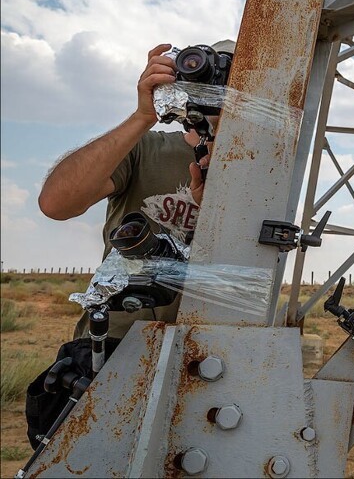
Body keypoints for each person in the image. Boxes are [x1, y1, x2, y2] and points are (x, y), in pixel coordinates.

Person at [38, 40, 235, 340]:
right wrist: (143, 116)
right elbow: (56, 203)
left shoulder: (259, 173)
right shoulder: (145, 149)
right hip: (117, 340)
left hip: (208, 348)